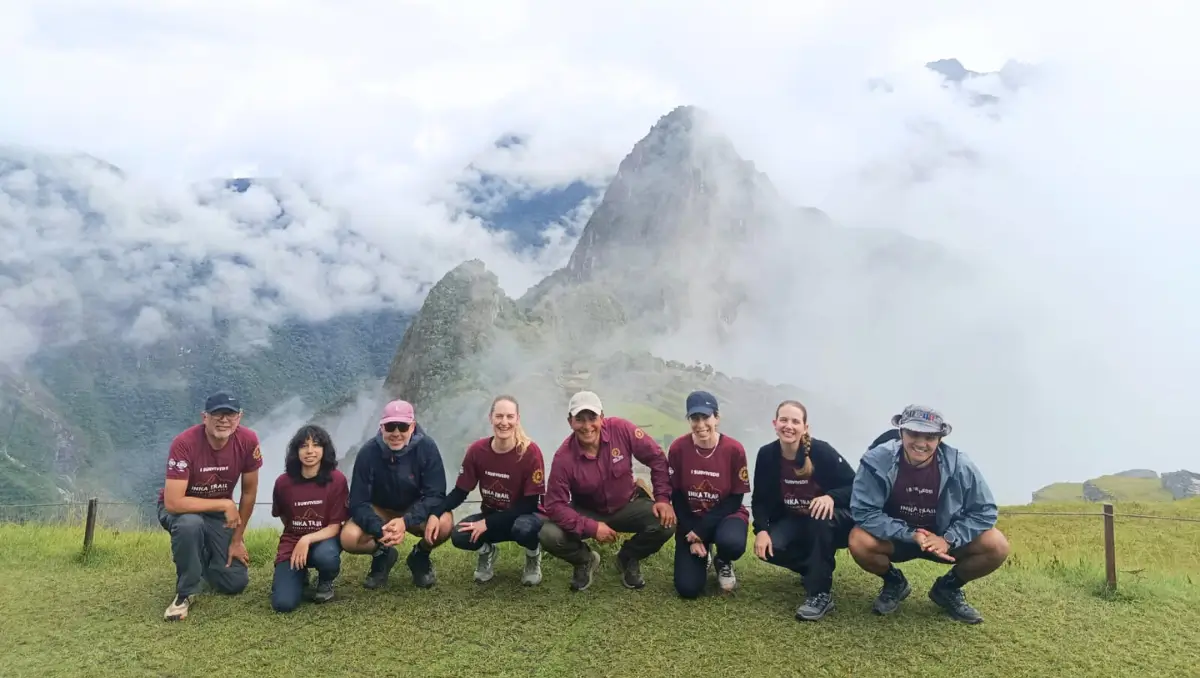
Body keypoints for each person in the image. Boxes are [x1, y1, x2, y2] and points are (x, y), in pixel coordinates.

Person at [849, 405, 1010, 624]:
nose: (921, 443)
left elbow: (986, 511)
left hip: (943, 539)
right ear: (901, 433)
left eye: (930, 437)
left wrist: (949, 538)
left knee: (997, 545)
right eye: (913, 434)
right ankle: (894, 582)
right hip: (897, 538)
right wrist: (910, 534)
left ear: (940, 439)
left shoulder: (960, 465)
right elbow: (864, 511)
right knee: (859, 540)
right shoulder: (876, 460)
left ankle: (948, 588)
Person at [539, 390, 677, 591]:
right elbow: (554, 505)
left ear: (602, 417)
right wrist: (591, 528)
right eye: (580, 419)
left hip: (627, 505)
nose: (587, 426)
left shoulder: (621, 429)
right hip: (587, 511)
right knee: (548, 534)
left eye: (592, 418)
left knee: (666, 523)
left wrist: (662, 498)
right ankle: (584, 560)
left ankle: (628, 557)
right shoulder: (563, 457)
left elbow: (656, 457)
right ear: (570, 422)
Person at [156, 392, 261, 622]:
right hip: (181, 511)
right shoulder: (184, 443)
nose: (224, 420)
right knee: (190, 525)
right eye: (217, 414)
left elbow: (249, 493)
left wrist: (236, 540)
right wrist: (224, 503)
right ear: (205, 417)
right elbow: (173, 502)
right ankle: (185, 593)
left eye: (230, 414)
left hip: (215, 513)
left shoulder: (248, 441)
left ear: (239, 417)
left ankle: (202, 561)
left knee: (234, 583)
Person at [750, 400, 857, 621]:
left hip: (831, 520)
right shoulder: (767, 454)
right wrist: (761, 530)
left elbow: (855, 486)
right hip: (794, 518)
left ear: (805, 427)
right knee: (770, 548)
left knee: (819, 517)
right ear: (775, 424)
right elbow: (760, 499)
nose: (789, 426)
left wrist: (831, 497)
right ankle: (816, 567)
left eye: (795, 421)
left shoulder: (822, 452)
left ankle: (820, 594)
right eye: (784, 420)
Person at [339, 399, 453, 590]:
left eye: (403, 426)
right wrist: (378, 529)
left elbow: (436, 494)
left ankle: (420, 555)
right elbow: (358, 502)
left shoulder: (427, 447)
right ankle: (382, 554)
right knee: (349, 538)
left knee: (444, 523)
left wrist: (406, 521)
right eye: (391, 426)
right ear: (382, 427)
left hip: (413, 507)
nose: (396, 433)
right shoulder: (368, 453)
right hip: (381, 510)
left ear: (413, 426)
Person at [434, 395, 546, 585]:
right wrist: (434, 512)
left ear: (517, 419)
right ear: (490, 418)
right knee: (459, 534)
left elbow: (529, 505)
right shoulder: (477, 451)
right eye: (499, 416)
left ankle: (533, 555)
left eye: (510, 417)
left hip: (523, 517)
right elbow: (460, 492)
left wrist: (487, 523)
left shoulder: (530, 452)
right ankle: (488, 552)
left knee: (524, 528)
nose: (504, 422)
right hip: (492, 514)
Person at [668, 391, 752, 598]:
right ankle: (703, 553)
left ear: (717, 418)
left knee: (732, 543)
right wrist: (693, 534)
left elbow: (735, 498)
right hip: (691, 519)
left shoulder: (734, 449)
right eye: (694, 418)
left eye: (705, 417)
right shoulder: (678, 448)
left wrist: (701, 531)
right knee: (688, 589)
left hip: (726, 515)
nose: (700, 424)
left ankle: (723, 560)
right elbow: (677, 495)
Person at [269, 424, 349, 613]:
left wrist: (306, 538)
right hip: (293, 542)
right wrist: (297, 537)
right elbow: (284, 516)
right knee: (283, 604)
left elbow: (335, 526)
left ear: (324, 449)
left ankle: (325, 581)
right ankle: (300, 573)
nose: (310, 451)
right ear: (296, 451)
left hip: (324, 541)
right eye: (304, 446)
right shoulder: (283, 483)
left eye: (316, 445)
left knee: (326, 556)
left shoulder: (337, 480)